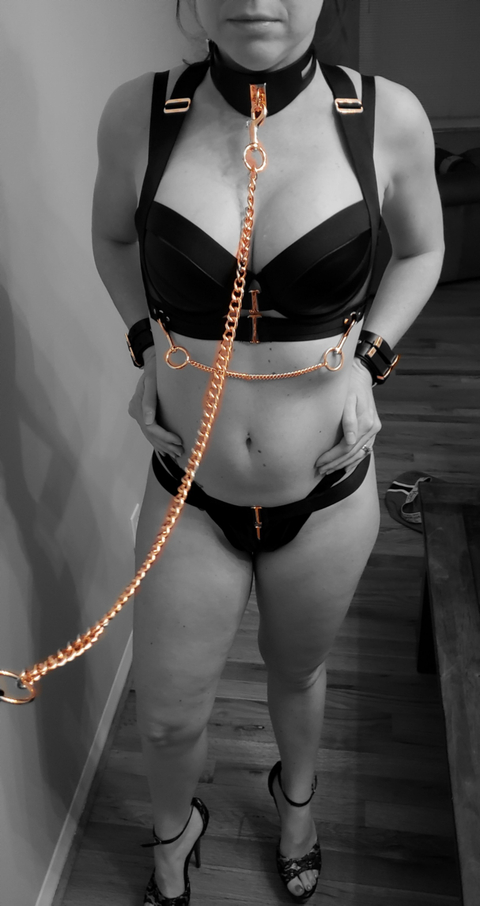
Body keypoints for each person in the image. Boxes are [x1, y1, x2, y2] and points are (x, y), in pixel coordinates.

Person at [92, 1, 444, 902]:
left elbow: (422, 250)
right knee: (165, 719)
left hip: (326, 493)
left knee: (297, 672)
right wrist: (145, 342)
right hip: (188, 488)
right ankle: (173, 839)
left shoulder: (385, 116)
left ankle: (297, 804)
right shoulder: (141, 113)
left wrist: (370, 360)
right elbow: (114, 237)